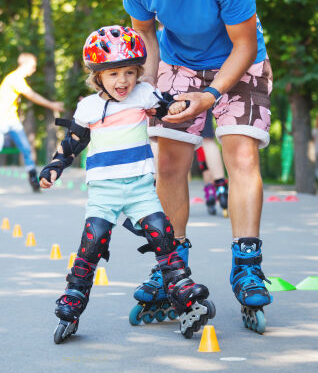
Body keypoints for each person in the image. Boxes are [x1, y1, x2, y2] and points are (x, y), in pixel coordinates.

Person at [123, 0, 273, 333]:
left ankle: (247, 265)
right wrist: (149, 90)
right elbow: (146, 35)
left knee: (241, 156)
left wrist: (210, 95)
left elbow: (242, 45)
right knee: (169, 161)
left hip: (237, 58)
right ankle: (172, 264)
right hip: (176, 60)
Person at [42, 25, 215, 344]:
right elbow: (73, 142)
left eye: (128, 72)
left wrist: (175, 106)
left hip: (139, 189)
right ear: (98, 77)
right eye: (113, 74)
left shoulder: (143, 95)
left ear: (138, 72)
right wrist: (55, 166)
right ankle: (72, 302)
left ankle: (182, 292)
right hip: (104, 193)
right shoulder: (89, 107)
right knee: (91, 245)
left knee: (163, 235)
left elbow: (165, 107)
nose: (122, 81)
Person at [0, 53, 63, 192]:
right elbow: (32, 95)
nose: (34, 70)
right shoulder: (15, 78)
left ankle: (33, 180)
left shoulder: (15, 78)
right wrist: (52, 105)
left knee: (26, 149)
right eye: (33, 66)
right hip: (0, 118)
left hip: (12, 119)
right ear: (26, 64)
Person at [195, 112, 229, 216]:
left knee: (168, 141)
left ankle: (209, 191)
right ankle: (221, 188)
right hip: (202, 97)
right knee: (207, 141)